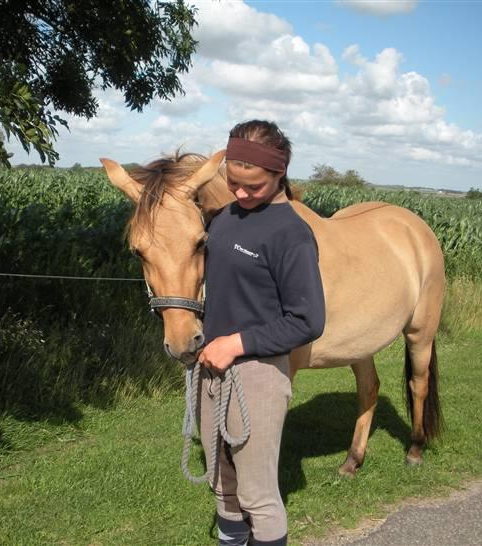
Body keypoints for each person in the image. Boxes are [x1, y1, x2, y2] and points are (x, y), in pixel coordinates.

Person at [196, 120, 326, 546]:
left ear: (278, 175)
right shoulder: (223, 219)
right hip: (210, 371)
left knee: (258, 496)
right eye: (233, 183)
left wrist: (237, 342)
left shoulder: (291, 234)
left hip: (256, 376)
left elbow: (308, 321)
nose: (240, 193)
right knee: (223, 485)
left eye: (253, 186)